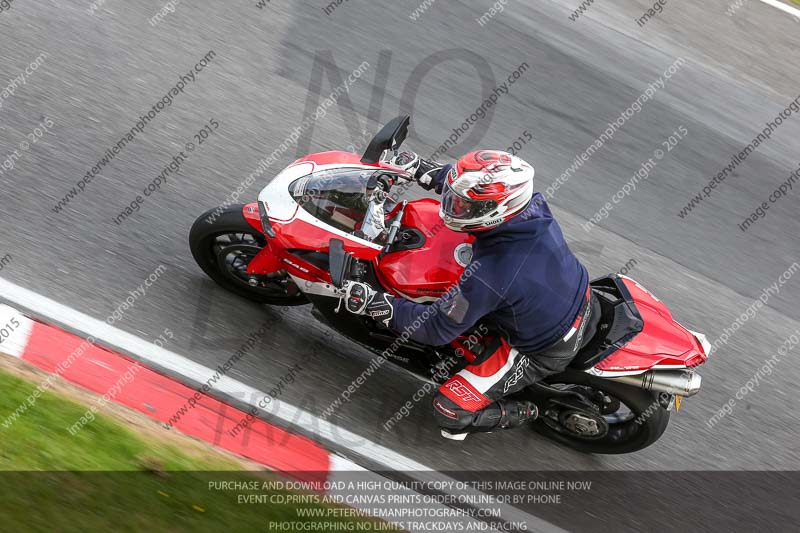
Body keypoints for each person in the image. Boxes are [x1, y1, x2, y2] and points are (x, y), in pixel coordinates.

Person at [344, 150, 600, 440]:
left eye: (461, 206)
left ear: (496, 211)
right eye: (455, 199)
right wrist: (422, 169)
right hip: (571, 292)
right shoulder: (530, 206)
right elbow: (475, 191)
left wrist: (375, 303)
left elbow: (435, 328)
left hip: (543, 349)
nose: (454, 208)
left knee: (449, 412)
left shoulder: (493, 272)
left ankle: (529, 411)